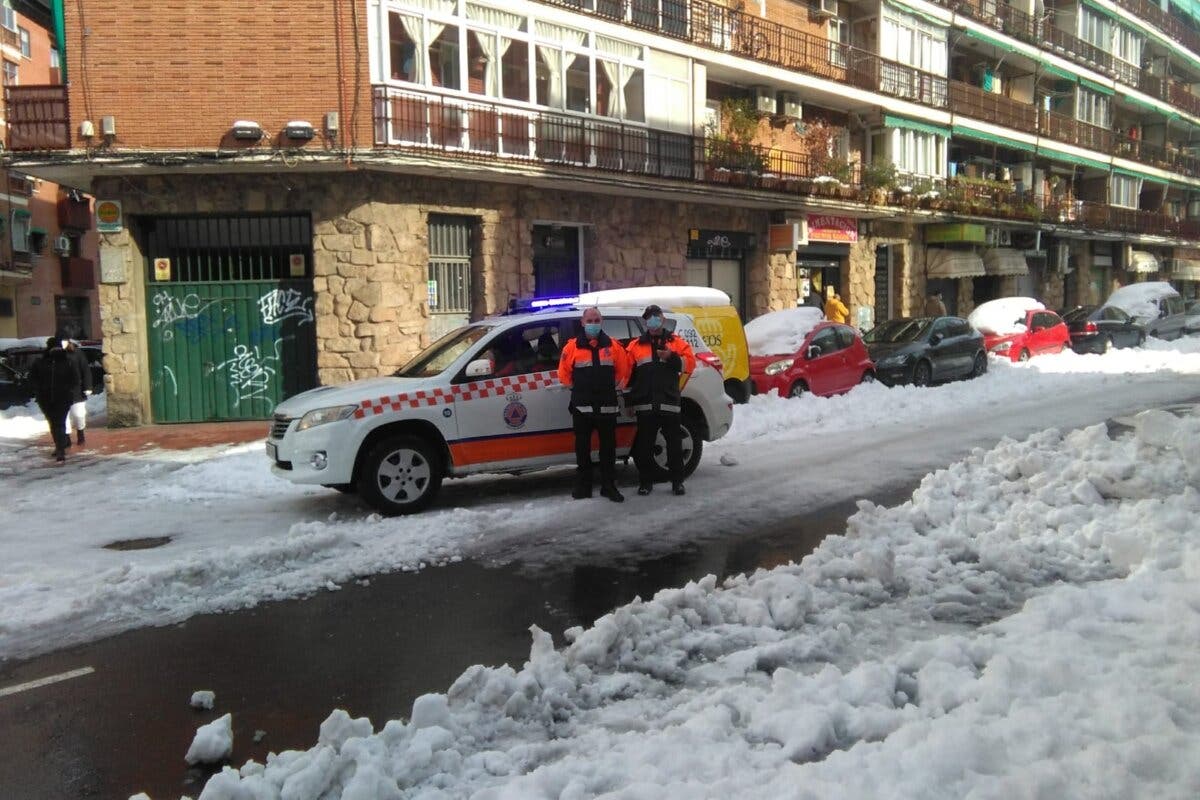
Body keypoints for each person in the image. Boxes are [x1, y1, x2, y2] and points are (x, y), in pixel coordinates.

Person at [557, 307, 631, 502]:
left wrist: (608, 388)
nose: (593, 324)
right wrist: (581, 389)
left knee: (608, 451)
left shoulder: (614, 346)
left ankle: (609, 486)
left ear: (602, 321)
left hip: (607, 406)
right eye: (589, 320)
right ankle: (584, 486)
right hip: (582, 408)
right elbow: (563, 375)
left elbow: (623, 372)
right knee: (583, 450)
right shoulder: (571, 347)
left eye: (596, 320)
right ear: (582, 323)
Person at [626, 304, 695, 496]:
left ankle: (677, 483)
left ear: (662, 319)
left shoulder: (676, 342)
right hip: (645, 404)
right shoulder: (635, 346)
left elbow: (690, 364)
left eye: (656, 317)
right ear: (645, 322)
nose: (653, 321)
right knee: (644, 447)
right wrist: (629, 401)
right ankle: (645, 483)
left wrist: (671, 357)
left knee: (674, 446)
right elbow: (628, 376)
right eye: (649, 318)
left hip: (669, 403)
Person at [29, 337, 81, 462]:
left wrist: (39, 391)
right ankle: (60, 447)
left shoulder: (44, 362)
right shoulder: (63, 361)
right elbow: (75, 380)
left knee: (55, 423)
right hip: (55, 398)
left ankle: (60, 448)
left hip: (52, 398)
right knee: (58, 423)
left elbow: (75, 379)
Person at [64, 338, 93, 446]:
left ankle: (80, 432)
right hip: (62, 391)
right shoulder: (55, 355)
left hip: (77, 390)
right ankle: (66, 438)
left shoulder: (77, 353)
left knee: (79, 414)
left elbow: (85, 370)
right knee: (63, 416)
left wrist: (88, 386)